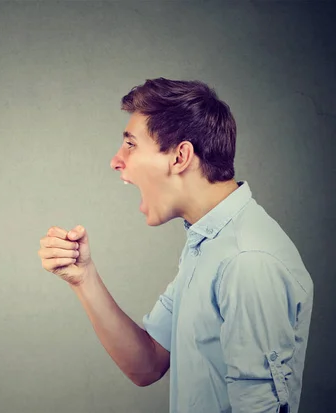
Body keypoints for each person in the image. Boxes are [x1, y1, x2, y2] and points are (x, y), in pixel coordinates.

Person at [37, 78, 313, 413]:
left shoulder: (247, 260)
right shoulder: (208, 242)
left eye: (131, 145)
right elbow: (148, 363)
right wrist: (84, 278)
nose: (116, 160)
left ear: (180, 156)